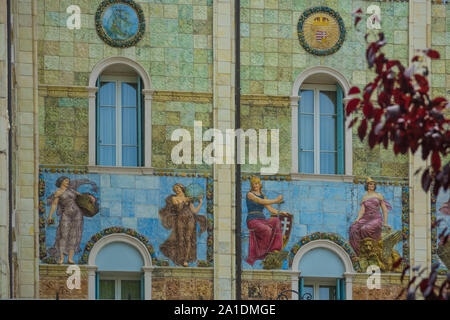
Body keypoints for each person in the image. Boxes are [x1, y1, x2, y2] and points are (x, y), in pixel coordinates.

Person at [47, 176, 97, 264]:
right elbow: (54, 205)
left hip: (77, 214)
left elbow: (81, 196)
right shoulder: (58, 193)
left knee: (74, 235)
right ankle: (61, 258)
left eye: (68, 181)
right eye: (66, 181)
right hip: (66, 214)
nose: (68, 182)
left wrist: (90, 197)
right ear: (61, 181)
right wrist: (50, 216)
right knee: (64, 235)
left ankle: (70, 258)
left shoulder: (71, 190)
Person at [159, 183, 206, 267]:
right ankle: (180, 258)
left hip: (190, 218)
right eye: (175, 188)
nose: (176, 189)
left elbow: (194, 211)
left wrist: (200, 203)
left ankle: (185, 259)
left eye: (177, 187)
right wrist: (185, 200)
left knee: (188, 239)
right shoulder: (175, 198)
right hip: (180, 219)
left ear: (182, 188)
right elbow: (179, 209)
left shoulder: (189, 198)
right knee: (180, 239)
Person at [245, 176, 289, 266]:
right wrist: (276, 200)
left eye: (256, 183)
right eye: (253, 183)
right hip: (252, 220)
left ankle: (274, 249)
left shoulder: (263, 196)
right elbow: (260, 201)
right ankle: (263, 252)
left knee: (276, 220)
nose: (255, 185)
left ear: (260, 184)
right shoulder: (250, 194)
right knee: (267, 230)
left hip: (262, 220)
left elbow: (270, 209)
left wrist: (281, 212)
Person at [349, 177, 392, 256]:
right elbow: (362, 210)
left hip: (376, 218)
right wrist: (357, 219)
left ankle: (370, 250)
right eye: (370, 184)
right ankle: (358, 251)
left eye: (373, 184)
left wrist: (385, 223)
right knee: (353, 228)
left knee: (364, 229)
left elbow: (384, 209)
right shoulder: (364, 197)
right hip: (365, 218)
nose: (372, 185)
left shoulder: (379, 195)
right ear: (367, 185)